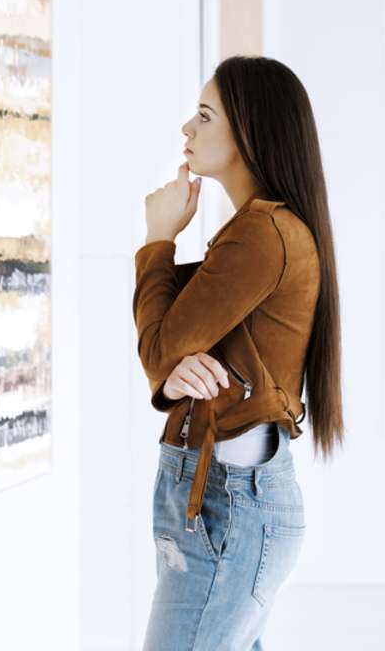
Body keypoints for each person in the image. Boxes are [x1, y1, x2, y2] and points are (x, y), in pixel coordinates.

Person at [133, 55, 343, 649]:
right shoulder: (261, 233)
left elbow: (158, 346)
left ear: (249, 130)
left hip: (229, 509)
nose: (186, 130)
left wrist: (157, 240)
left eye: (204, 116)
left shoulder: (263, 234)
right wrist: (173, 375)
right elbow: (172, 347)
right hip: (229, 503)